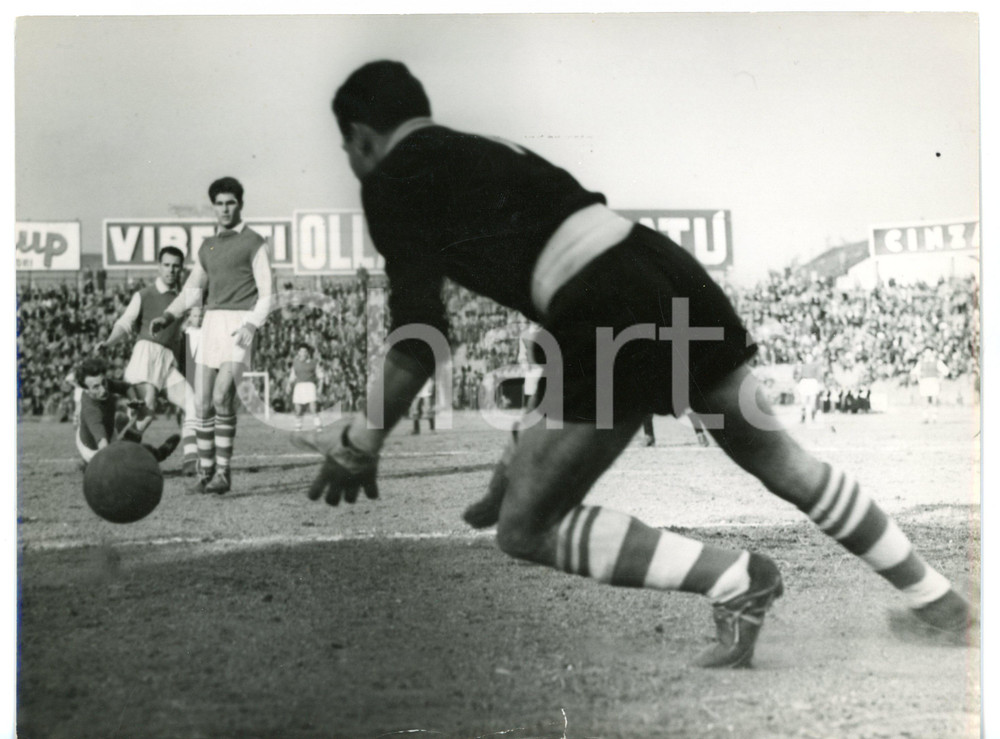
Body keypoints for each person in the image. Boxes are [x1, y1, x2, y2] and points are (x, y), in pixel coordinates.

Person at [298, 60, 975, 668]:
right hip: (661, 267)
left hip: (603, 301)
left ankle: (737, 579)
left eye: (348, 151)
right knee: (784, 462)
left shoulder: (392, 178)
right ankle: (936, 598)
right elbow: (577, 276)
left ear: (361, 137)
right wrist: (519, 451)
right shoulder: (481, 149)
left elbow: (421, 338)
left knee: (526, 528)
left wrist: (362, 442)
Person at [151, 177, 274, 494]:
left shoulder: (254, 242)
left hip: (239, 326)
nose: (224, 208)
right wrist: (168, 314)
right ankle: (205, 474)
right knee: (202, 402)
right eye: (219, 203)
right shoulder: (208, 246)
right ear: (213, 206)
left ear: (240, 204)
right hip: (211, 325)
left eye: (230, 202)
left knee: (221, 397)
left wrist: (251, 325)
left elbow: (268, 295)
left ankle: (223, 472)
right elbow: (193, 290)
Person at [96, 246, 198, 473]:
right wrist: (108, 342)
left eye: (176, 266)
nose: (171, 270)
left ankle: (191, 460)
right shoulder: (143, 295)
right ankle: (111, 461)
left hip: (167, 362)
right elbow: (124, 323)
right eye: (167, 265)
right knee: (147, 412)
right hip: (147, 355)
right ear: (159, 267)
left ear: (182, 269)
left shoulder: (182, 299)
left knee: (193, 402)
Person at [74, 357, 180, 469]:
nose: (104, 389)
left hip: (106, 433)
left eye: (103, 382)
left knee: (122, 419)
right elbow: (103, 445)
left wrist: (133, 399)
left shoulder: (103, 384)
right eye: (96, 387)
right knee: (130, 457)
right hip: (93, 450)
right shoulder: (92, 412)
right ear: (86, 390)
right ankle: (158, 455)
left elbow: (126, 387)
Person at [288, 343, 324, 431]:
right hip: (299, 386)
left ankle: (318, 426)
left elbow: (320, 376)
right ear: (298, 353)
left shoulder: (314, 362)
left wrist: (320, 387)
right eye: (301, 351)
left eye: (305, 351)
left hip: (310, 386)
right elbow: (292, 375)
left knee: (313, 407)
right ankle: (298, 426)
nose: (303, 353)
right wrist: (289, 385)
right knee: (298, 409)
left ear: (307, 353)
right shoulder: (295, 362)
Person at [913, 348, 949, 423]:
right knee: (924, 400)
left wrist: (940, 380)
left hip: (934, 381)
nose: (928, 354)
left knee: (934, 400)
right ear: (924, 353)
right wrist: (919, 380)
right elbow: (915, 372)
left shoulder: (937, 362)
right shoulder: (921, 362)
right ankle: (925, 417)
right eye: (926, 352)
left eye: (929, 352)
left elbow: (945, 371)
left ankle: (934, 417)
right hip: (924, 382)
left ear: (932, 353)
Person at [793, 351, 824, 424]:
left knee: (812, 402)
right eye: (807, 357)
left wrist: (819, 384)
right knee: (803, 402)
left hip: (812, 382)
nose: (808, 358)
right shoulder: (803, 366)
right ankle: (803, 418)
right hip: (804, 382)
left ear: (812, 358)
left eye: (810, 357)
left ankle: (813, 418)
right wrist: (797, 383)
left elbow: (818, 375)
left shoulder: (816, 365)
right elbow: (800, 375)